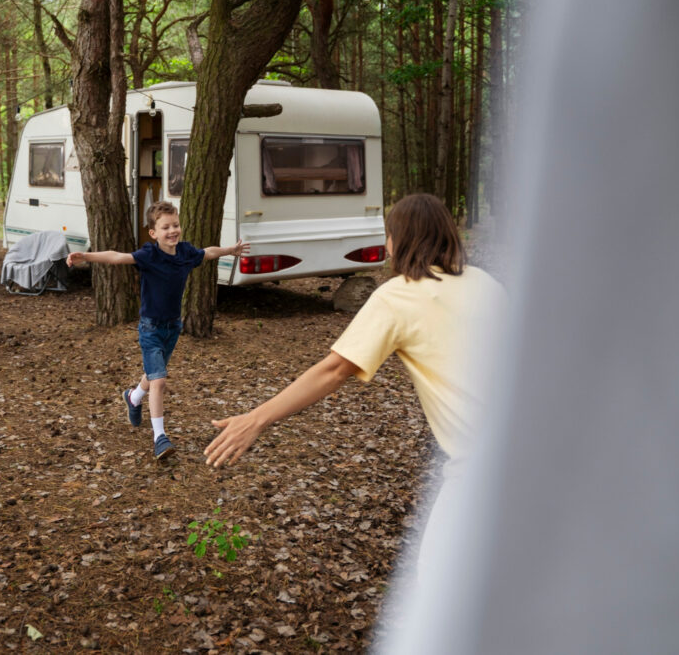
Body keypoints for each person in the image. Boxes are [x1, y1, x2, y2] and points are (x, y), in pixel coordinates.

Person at [204, 193, 506, 578]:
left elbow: (333, 371)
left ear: (401, 240)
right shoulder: (486, 284)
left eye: (389, 234)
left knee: (439, 580)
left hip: (486, 466)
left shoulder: (399, 295)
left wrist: (256, 419)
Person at [67, 201, 250, 460]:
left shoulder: (186, 252)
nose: (172, 231)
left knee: (154, 375)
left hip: (173, 326)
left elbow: (208, 252)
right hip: (150, 327)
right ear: (154, 233)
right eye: (166, 227)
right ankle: (159, 438)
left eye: (175, 225)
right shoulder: (149, 255)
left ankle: (133, 397)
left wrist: (231, 250)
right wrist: (86, 256)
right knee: (160, 380)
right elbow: (118, 257)